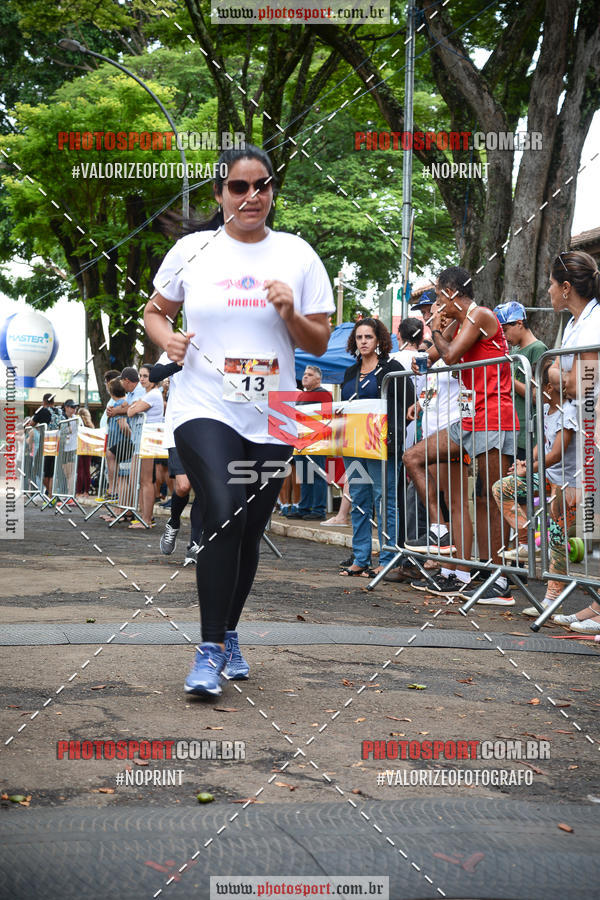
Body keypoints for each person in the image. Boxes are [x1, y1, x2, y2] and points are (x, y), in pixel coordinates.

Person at [144, 144, 334, 696]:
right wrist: (168, 340)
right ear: (219, 193)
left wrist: (288, 312)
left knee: (250, 526)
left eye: (263, 185)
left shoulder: (297, 255)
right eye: (239, 187)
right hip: (205, 403)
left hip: (273, 410)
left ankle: (229, 632)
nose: (252, 197)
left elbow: (318, 338)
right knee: (223, 510)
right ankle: (207, 650)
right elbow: (156, 312)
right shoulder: (193, 250)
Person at [403, 266, 518, 603]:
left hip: (494, 415)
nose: (437, 305)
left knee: (492, 498)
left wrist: (437, 329)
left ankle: (501, 581)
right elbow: (430, 359)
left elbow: (451, 357)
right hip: (469, 419)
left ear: (452, 294)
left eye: (439, 297)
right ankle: (441, 533)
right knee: (413, 457)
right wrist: (427, 350)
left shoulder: (480, 315)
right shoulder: (458, 322)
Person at [492, 362, 578, 618]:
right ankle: (529, 541)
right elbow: (541, 446)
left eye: (536, 386)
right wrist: (525, 463)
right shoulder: (543, 409)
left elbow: (556, 454)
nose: (533, 390)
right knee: (503, 488)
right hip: (547, 477)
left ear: (549, 388)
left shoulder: (568, 411)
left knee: (559, 535)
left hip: (569, 483)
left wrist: (528, 468)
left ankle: (552, 599)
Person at [544, 250, 600, 633]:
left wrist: (555, 373)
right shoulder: (575, 323)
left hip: (593, 432)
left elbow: (581, 380)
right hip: (583, 433)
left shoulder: (594, 323)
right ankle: (594, 605)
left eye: (551, 284)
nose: (547, 291)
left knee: (594, 523)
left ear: (566, 288)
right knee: (590, 527)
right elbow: (559, 378)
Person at [339, 317, 413, 577]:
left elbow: (409, 403)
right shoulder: (350, 371)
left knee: (385, 501)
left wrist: (391, 430)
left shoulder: (390, 369)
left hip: (383, 446)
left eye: (368, 337)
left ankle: (388, 557)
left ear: (379, 339)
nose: (363, 342)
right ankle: (360, 557)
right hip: (354, 445)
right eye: (359, 337)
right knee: (359, 500)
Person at [150, 354, 203, 565]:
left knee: (203, 488)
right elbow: (155, 374)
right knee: (182, 487)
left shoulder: (218, 347)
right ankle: (173, 523)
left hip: (209, 429)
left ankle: (194, 545)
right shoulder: (177, 347)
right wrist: (179, 363)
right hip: (178, 428)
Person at [494, 301, 547, 460]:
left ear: (519, 323)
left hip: (527, 434)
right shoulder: (515, 350)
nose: (503, 336)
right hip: (510, 431)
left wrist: (508, 380)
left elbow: (537, 395)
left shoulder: (538, 348)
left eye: (505, 330)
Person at [284, 365, 332, 521]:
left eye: (310, 375)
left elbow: (326, 416)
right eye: (305, 374)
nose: (305, 377)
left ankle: (319, 510)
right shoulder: (302, 396)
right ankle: (304, 508)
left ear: (318, 379)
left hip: (316, 440)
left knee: (317, 475)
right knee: (304, 476)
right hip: (301, 441)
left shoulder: (324, 394)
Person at [126, 364, 164, 528]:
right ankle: (144, 517)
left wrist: (134, 406)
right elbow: (131, 409)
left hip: (148, 441)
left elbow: (130, 411)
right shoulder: (151, 394)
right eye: (140, 376)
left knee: (147, 481)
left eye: (145, 376)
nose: (141, 379)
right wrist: (133, 406)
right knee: (144, 481)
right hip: (145, 441)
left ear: (153, 378)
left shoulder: (153, 395)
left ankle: (147, 519)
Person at [30, 392, 62, 497]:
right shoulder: (59, 411)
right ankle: (51, 494)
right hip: (57, 444)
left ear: (44, 401)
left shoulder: (42, 410)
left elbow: (31, 424)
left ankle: (50, 492)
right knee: (51, 471)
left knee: (38, 470)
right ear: (53, 401)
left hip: (45, 444)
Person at [76, 406, 94, 496]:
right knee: (87, 470)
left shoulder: (78, 425)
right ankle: (86, 491)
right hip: (89, 449)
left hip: (80, 447)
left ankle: (78, 491)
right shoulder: (91, 426)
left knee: (80, 470)